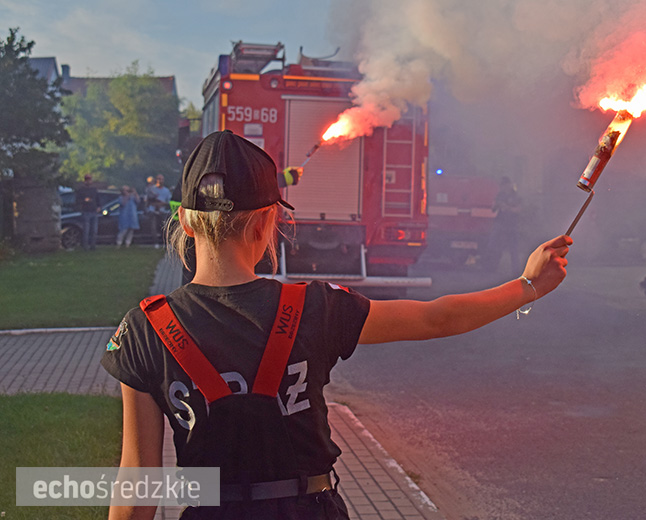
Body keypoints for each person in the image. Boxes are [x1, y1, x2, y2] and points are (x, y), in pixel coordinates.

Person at [101, 131, 571, 519]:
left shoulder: (144, 328)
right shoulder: (314, 307)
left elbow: (138, 478)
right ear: (265, 224)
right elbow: (437, 317)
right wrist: (528, 285)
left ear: (185, 223)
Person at [485, 175, 524, 276]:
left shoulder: (516, 196)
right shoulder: (500, 195)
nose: (504, 187)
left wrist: (507, 208)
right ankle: (492, 268)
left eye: (505, 185)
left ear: (509, 185)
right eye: (502, 185)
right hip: (500, 224)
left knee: (513, 249)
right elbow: (493, 209)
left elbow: (518, 210)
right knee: (494, 246)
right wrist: (497, 205)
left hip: (512, 225)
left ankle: (516, 271)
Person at [145, 174, 172, 248]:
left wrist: (161, 203)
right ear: (156, 180)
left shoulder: (166, 191)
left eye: (162, 179)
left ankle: (165, 243)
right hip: (153, 211)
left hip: (162, 211)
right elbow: (147, 200)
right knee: (153, 227)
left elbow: (168, 201)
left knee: (164, 227)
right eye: (159, 179)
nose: (160, 181)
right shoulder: (151, 189)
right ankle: (155, 242)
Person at [75, 173, 100, 250]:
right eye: (87, 180)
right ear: (85, 181)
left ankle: (93, 246)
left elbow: (98, 199)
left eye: (90, 180)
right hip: (86, 211)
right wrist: (84, 200)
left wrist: (99, 207)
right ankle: (85, 246)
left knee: (94, 230)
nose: (88, 181)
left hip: (94, 211)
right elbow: (77, 201)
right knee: (86, 230)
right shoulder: (81, 190)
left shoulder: (94, 190)